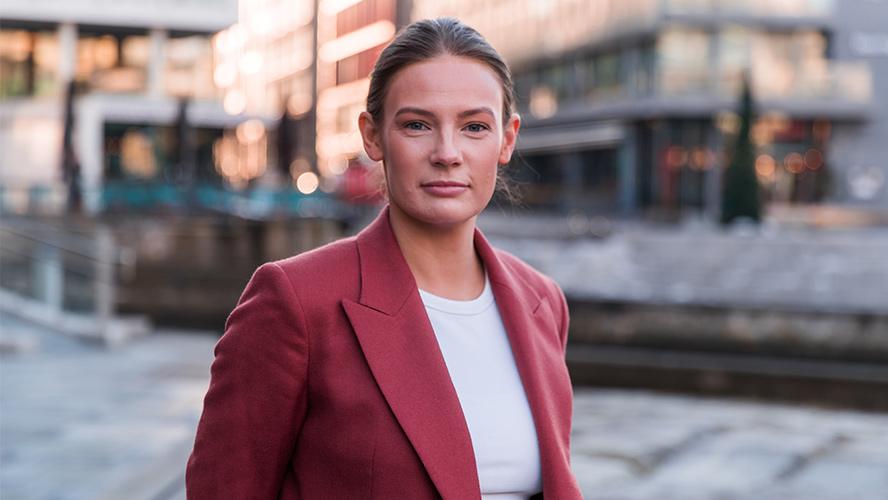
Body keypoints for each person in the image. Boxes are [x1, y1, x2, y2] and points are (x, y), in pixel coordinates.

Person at [186, 18, 582, 500]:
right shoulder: (296, 302)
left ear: (507, 139)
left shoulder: (542, 303)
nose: (447, 153)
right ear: (372, 136)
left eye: (474, 127)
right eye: (417, 125)